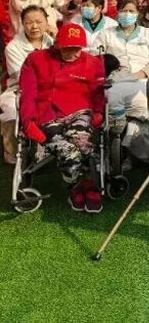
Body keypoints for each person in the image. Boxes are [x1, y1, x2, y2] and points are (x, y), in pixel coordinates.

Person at [18, 23, 106, 213]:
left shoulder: (92, 63)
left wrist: (99, 112)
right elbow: (28, 93)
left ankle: (89, 183)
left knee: (83, 143)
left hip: (80, 111)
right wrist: (27, 121)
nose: (73, 53)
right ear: (57, 44)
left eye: (77, 48)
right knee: (68, 153)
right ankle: (75, 186)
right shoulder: (35, 59)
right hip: (47, 114)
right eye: (67, 48)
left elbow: (98, 93)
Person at [99, 0, 149, 167]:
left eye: (131, 11)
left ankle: (133, 145)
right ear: (117, 12)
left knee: (145, 111)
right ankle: (117, 144)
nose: (127, 14)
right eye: (124, 10)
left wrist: (144, 72)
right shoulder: (106, 34)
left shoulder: (148, 34)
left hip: (142, 80)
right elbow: (95, 58)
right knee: (111, 101)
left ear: (137, 14)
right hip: (115, 79)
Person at [0, 6, 53, 163]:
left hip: (49, 88)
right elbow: (22, 77)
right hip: (19, 89)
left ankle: (48, 147)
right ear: (22, 24)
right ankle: (13, 154)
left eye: (39, 22)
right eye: (29, 22)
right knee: (11, 114)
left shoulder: (52, 42)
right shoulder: (13, 47)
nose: (34, 26)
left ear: (46, 23)